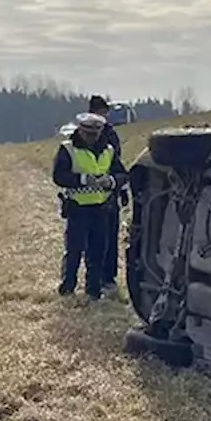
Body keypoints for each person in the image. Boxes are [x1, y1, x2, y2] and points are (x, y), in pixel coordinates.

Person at [53, 112, 128, 301]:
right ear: (81, 131)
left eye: (95, 134)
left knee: (98, 252)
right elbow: (59, 176)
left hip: (101, 209)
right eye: (88, 134)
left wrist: (110, 181)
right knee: (74, 251)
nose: (92, 138)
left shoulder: (109, 150)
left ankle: (93, 291)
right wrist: (83, 180)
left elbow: (121, 174)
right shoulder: (68, 149)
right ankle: (67, 287)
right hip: (77, 208)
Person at [87, 95, 126, 291]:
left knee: (111, 237)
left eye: (105, 113)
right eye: (100, 113)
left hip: (109, 193)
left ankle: (108, 278)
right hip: (87, 197)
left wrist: (119, 186)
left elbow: (118, 163)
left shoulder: (111, 135)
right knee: (92, 240)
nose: (103, 117)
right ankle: (93, 278)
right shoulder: (83, 135)